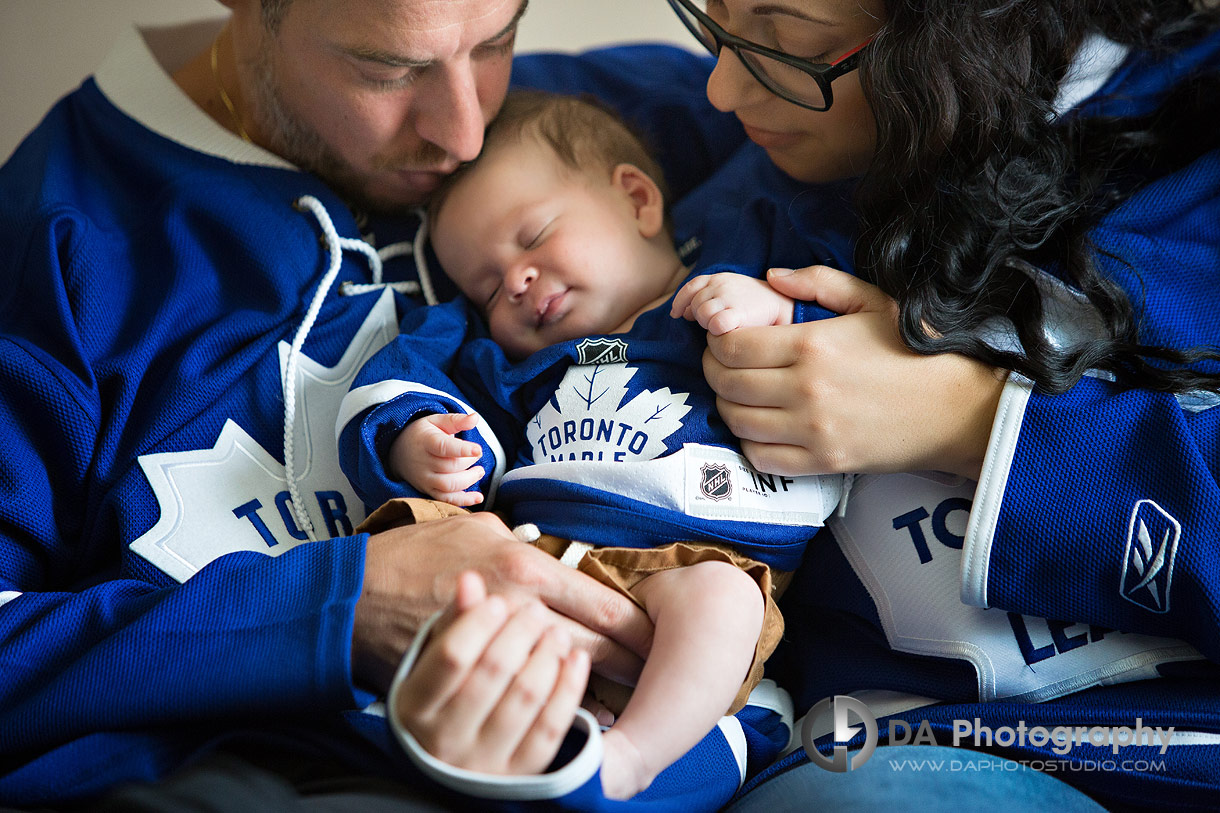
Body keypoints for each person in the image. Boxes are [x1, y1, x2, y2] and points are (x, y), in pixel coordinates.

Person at [395, 0, 1220, 810]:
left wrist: (968, 419)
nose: (721, 85)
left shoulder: (1189, 170)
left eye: (783, 34)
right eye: (713, 19)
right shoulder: (758, 141)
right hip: (822, 744)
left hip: (1134, 748)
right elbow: (416, 103)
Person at [0, 0, 755, 809]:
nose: (463, 135)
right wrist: (335, 604)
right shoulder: (56, 236)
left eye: (498, 40)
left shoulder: (608, 119)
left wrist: (908, 395)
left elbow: (884, 150)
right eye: (389, 70)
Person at [336, 89, 844, 800]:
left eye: (533, 237)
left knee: (727, 602)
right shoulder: (514, 366)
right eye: (487, 286)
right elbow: (419, 375)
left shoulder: (726, 286)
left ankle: (633, 753)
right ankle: (423, 719)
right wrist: (421, 438)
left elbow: (852, 333)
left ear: (636, 199)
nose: (514, 280)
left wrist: (779, 310)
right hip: (536, 557)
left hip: (688, 562)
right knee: (409, 542)